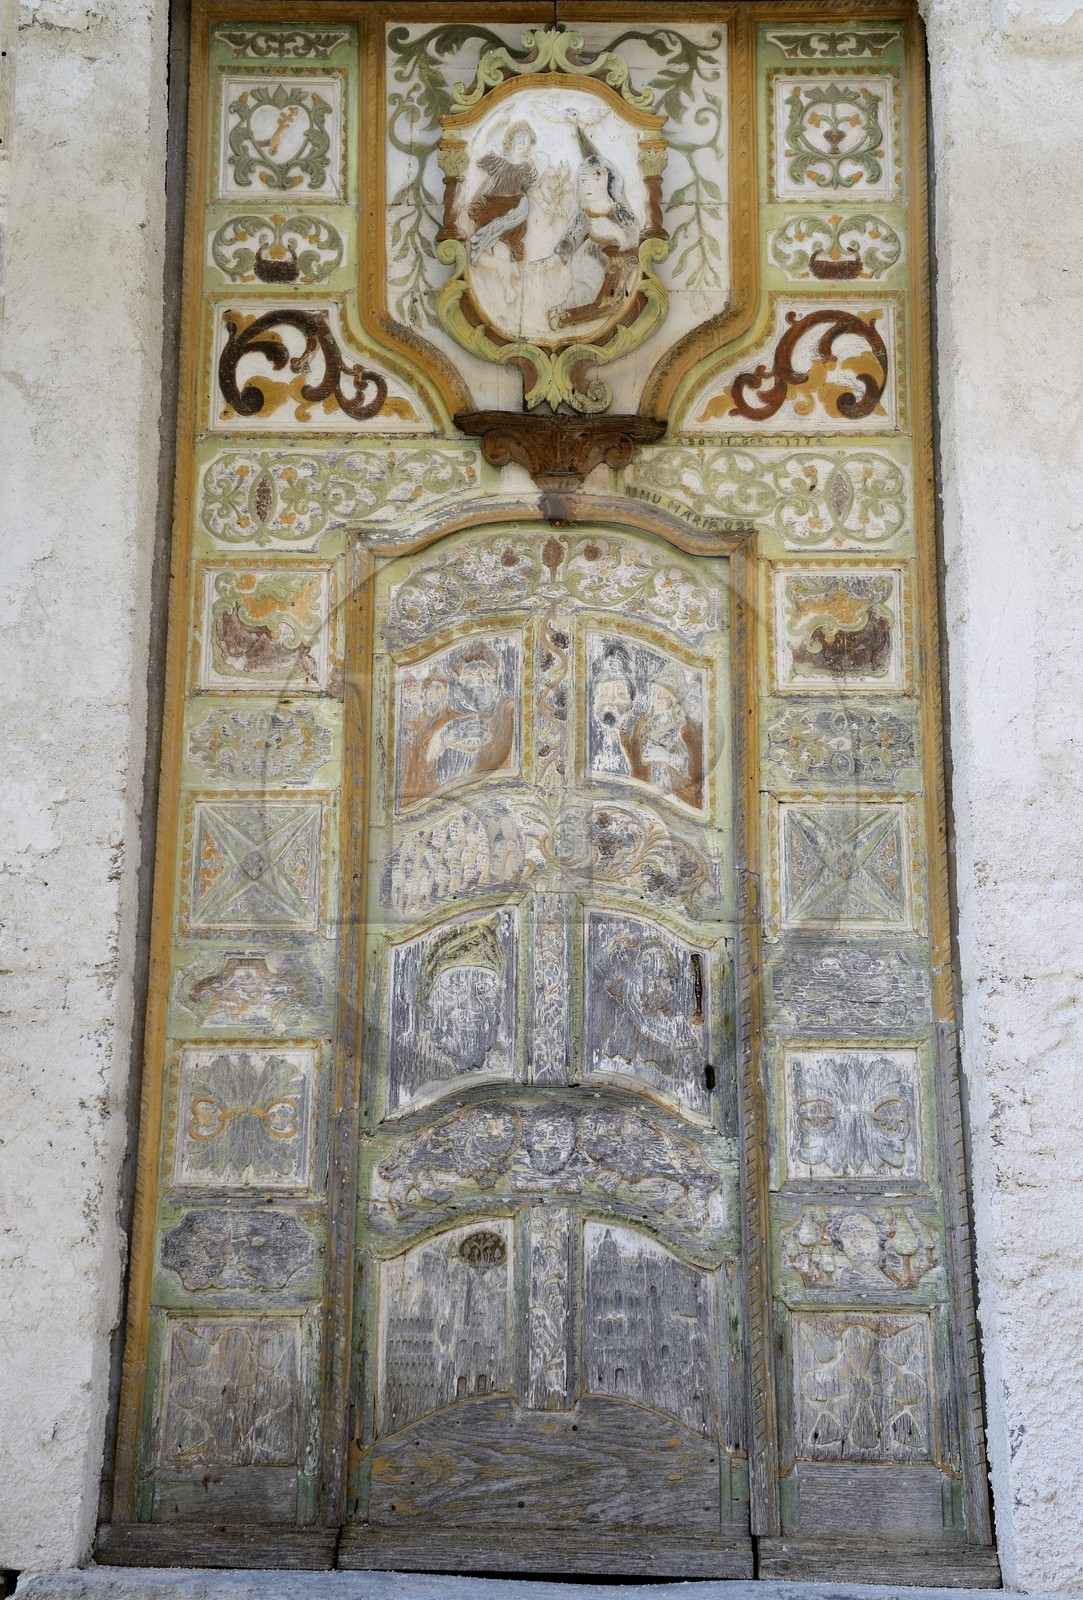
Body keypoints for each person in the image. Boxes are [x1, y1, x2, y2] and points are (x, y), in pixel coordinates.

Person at [545, 129, 640, 331]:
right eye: (583, 179)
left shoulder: (619, 211)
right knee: (583, 291)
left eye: (595, 177)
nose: (588, 184)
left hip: (614, 262)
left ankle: (565, 316)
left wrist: (617, 233)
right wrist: (554, 259)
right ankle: (564, 311)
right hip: (587, 260)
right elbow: (571, 238)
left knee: (609, 301)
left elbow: (633, 234)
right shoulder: (584, 214)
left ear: (607, 179)